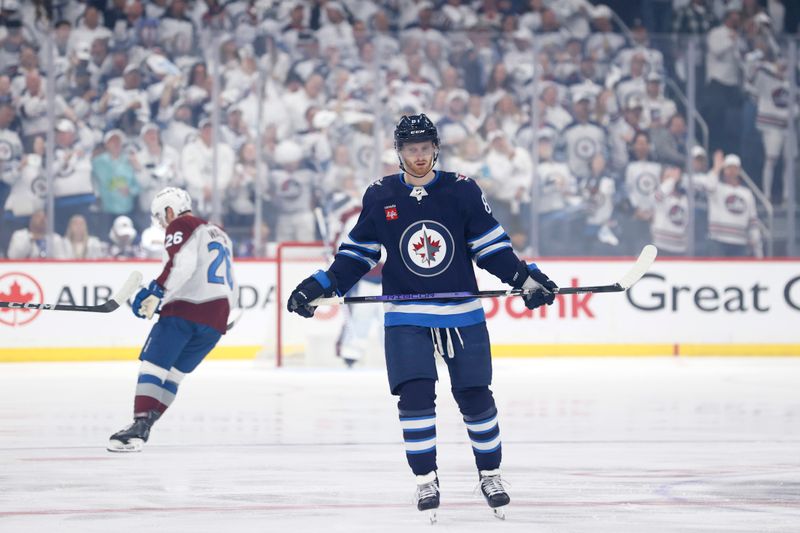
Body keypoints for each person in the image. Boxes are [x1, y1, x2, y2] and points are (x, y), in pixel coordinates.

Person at [287, 114, 558, 520]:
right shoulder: (380, 195)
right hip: (406, 314)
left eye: (425, 148)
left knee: (475, 395)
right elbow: (358, 255)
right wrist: (319, 284)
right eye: (411, 149)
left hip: (461, 313)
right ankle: (425, 480)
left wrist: (524, 277)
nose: (419, 156)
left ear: (436, 148)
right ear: (399, 152)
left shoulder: (462, 190)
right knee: (414, 396)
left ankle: (490, 474)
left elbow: (489, 247)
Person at [108, 187, 237, 452]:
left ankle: (138, 427)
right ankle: (144, 428)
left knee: (153, 366)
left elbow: (182, 265)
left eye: (161, 217)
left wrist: (156, 290)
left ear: (170, 210)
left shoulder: (181, 223)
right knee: (174, 376)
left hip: (186, 311)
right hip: (216, 319)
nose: (163, 224)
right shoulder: (220, 234)